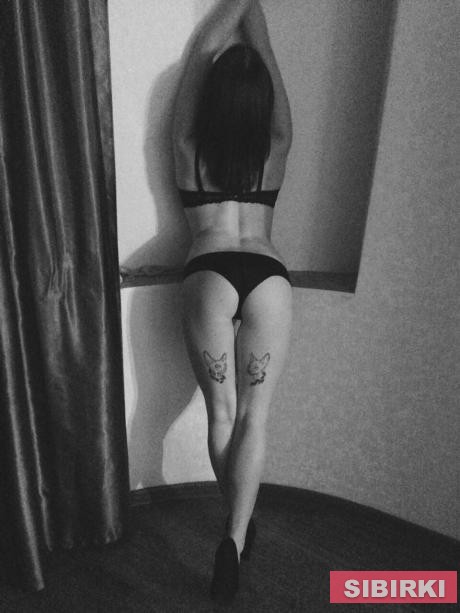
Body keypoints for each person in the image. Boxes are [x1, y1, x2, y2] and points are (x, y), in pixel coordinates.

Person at [172, 0, 292, 603]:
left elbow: (200, 53)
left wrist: (235, 5)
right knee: (255, 419)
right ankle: (236, 534)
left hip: (208, 272)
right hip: (269, 277)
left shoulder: (188, 147)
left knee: (222, 416)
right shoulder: (277, 146)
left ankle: (238, 527)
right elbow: (264, 55)